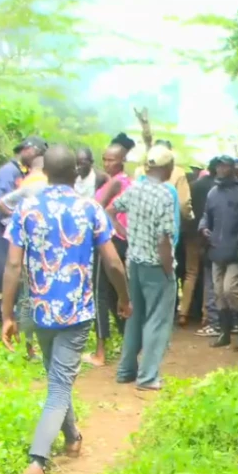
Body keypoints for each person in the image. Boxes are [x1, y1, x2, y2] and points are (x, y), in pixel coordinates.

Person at [1, 145, 130, 474]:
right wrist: (124, 297)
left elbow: (13, 265)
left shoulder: (26, 208)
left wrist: (7, 314)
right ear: (76, 173)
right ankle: (37, 460)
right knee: (59, 384)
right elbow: (114, 263)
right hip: (76, 312)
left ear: (43, 172)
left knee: (58, 378)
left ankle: (72, 438)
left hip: (40, 310)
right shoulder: (90, 208)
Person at [108, 145, 178, 391]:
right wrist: (169, 270)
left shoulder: (134, 188)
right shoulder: (164, 195)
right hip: (155, 266)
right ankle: (148, 377)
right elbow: (163, 240)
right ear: (167, 167)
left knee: (135, 315)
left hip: (134, 262)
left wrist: (124, 234)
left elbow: (110, 211)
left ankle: (126, 370)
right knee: (157, 320)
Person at [86, 140, 134, 368]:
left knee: (100, 294)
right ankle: (128, 346)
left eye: (111, 159)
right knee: (119, 293)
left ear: (122, 160)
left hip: (108, 241)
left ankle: (100, 352)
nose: (107, 163)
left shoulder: (115, 182)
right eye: (104, 159)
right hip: (124, 242)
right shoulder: (129, 182)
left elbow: (97, 208)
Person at [200, 156, 238, 351]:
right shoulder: (213, 193)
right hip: (216, 249)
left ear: (233, 169)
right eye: (219, 166)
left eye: (225, 166)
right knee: (218, 292)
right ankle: (224, 334)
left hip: (235, 252)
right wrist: (204, 227)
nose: (221, 170)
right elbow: (207, 215)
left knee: (230, 290)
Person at [0, 136, 47, 317]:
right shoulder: (9, 171)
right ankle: (4, 314)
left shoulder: (23, 172)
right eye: (38, 153)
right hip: (4, 231)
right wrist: (19, 218)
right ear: (28, 149)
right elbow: (1, 202)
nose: (39, 158)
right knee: (6, 269)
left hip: (15, 232)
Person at [191, 158, 222, 337]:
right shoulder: (237, 191)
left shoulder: (196, 186)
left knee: (204, 278)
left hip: (201, 237)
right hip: (220, 241)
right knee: (221, 282)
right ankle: (217, 319)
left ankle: (210, 319)